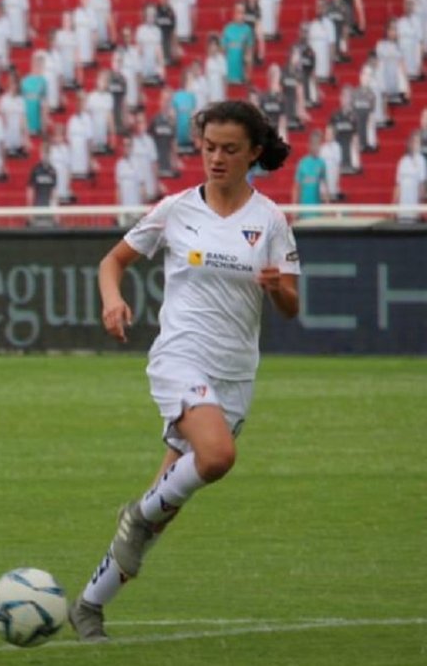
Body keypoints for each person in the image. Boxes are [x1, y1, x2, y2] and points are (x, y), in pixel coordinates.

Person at [68, 100, 300, 642]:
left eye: (229, 149)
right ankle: (137, 514)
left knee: (164, 506)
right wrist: (112, 301)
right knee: (216, 456)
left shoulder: (269, 221)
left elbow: (291, 305)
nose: (216, 158)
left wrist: (277, 289)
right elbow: (113, 261)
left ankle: (88, 606)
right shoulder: (175, 209)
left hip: (235, 376)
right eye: (209, 147)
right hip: (180, 358)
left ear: (254, 155)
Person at [293, 129, 330, 217]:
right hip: (304, 208)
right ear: (309, 145)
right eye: (314, 144)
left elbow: (324, 186)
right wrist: (295, 207)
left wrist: (327, 205)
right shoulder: (303, 163)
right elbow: (296, 187)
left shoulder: (322, 163)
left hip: (317, 209)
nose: (316, 147)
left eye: (318, 144)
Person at [393, 134, 426, 223]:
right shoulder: (403, 161)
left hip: (414, 196)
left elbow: (421, 185)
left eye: (417, 142)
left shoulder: (421, 160)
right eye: (413, 142)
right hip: (404, 198)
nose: (414, 144)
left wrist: (420, 206)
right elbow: (398, 184)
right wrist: (394, 204)